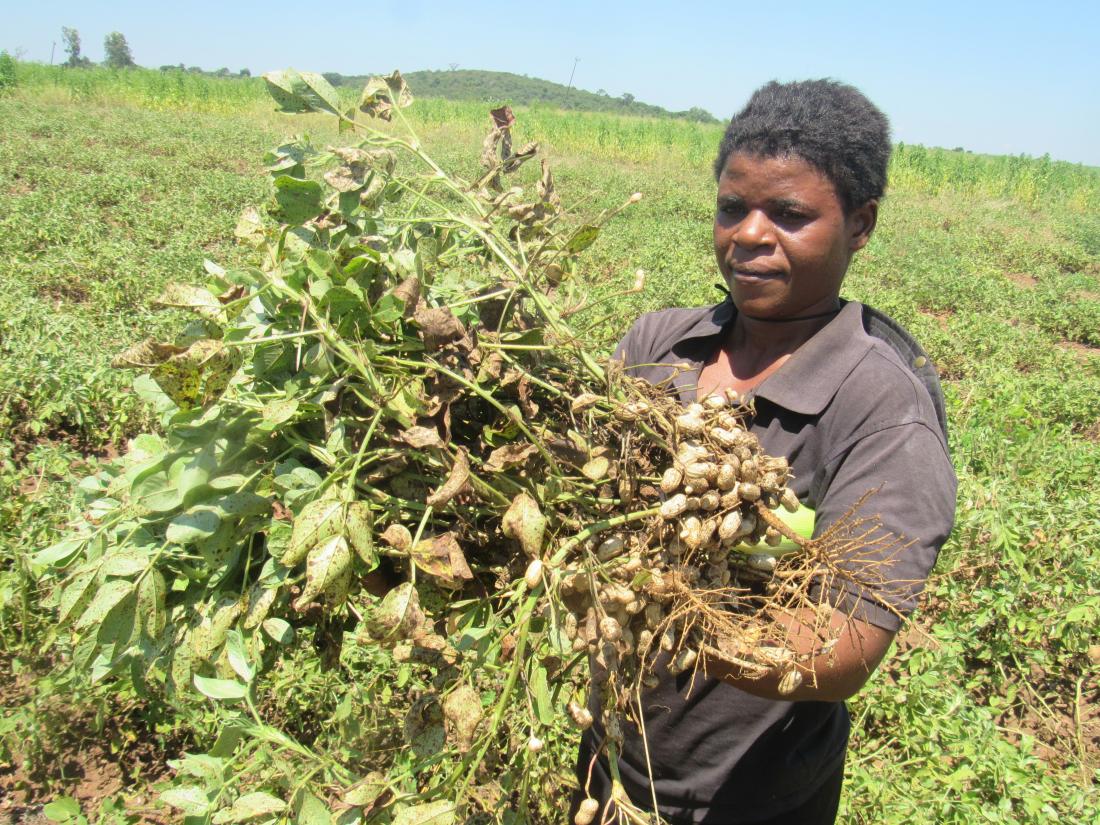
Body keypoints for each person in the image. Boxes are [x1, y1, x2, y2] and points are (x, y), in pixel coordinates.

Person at [573, 80, 957, 824]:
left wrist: (666, 604)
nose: (749, 234)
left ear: (860, 224)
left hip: (748, 795)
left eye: (789, 214)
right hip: (611, 756)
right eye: (731, 208)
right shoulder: (660, 344)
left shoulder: (882, 409)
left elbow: (841, 645)